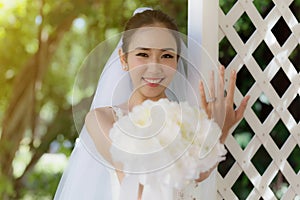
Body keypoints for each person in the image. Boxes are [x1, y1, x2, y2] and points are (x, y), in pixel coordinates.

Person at [54, 7, 250, 200]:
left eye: (166, 56)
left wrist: (218, 132)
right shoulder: (101, 119)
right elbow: (133, 171)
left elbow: (198, 174)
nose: (155, 67)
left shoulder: (188, 119)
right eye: (143, 54)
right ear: (124, 59)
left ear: (176, 61)